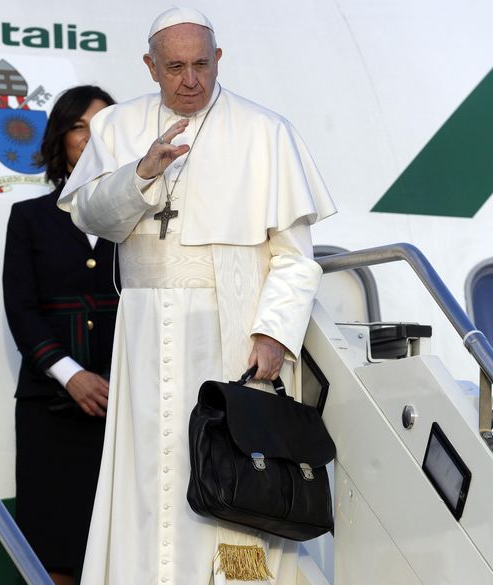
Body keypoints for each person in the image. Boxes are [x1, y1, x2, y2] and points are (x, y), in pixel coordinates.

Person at [57, 7, 336, 585]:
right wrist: (140, 173)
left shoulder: (265, 131)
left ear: (219, 59)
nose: (191, 81)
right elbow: (89, 215)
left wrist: (273, 332)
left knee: (228, 463)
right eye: (176, 68)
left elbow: (294, 256)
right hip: (143, 330)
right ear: (150, 66)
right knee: (148, 472)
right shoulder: (117, 126)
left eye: (202, 65)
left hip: (229, 329)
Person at [3, 85, 118, 585]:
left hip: (122, 406)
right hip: (49, 410)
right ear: (60, 139)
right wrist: (71, 375)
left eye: (103, 126)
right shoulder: (28, 219)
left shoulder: (137, 220)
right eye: (79, 127)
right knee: (52, 550)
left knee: (118, 546)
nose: (90, 138)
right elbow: (21, 309)